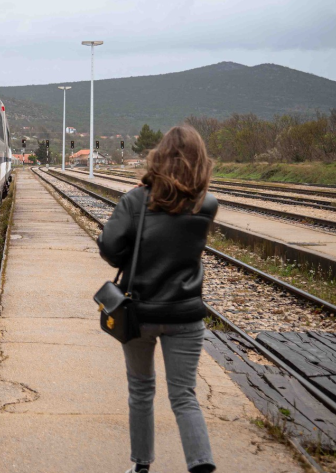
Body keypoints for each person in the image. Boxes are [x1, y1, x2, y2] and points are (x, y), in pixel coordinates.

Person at [97, 126, 218, 473]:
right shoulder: (206, 204)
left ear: (157, 158)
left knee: (141, 390)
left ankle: (140, 466)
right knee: (184, 395)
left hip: (140, 313)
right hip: (186, 314)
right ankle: (200, 464)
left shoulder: (136, 200)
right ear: (200, 162)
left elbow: (109, 246)